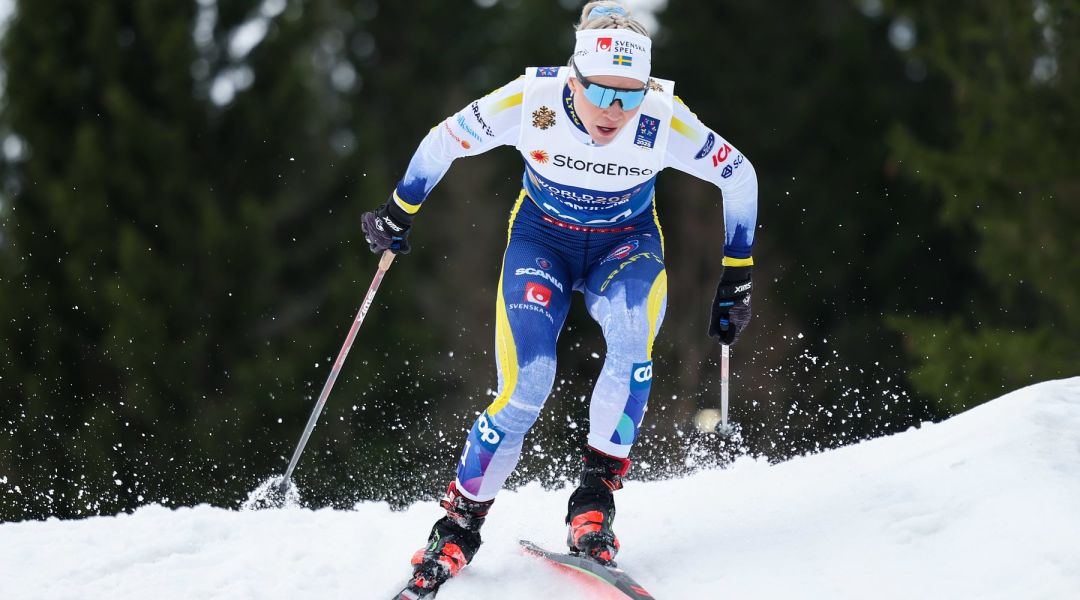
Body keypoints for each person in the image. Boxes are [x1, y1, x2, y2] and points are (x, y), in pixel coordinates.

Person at [363, 1, 758, 595]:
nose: (613, 112)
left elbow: (739, 174)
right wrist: (400, 211)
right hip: (541, 244)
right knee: (528, 383)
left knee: (632, 351)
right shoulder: (531, 101)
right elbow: (443, 142)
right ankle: (457, 525)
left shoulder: (662, 116)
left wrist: (737, 275)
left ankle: (594, 507)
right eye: (600, 93)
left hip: (625, 249)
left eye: (630, 96)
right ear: (574, 76)